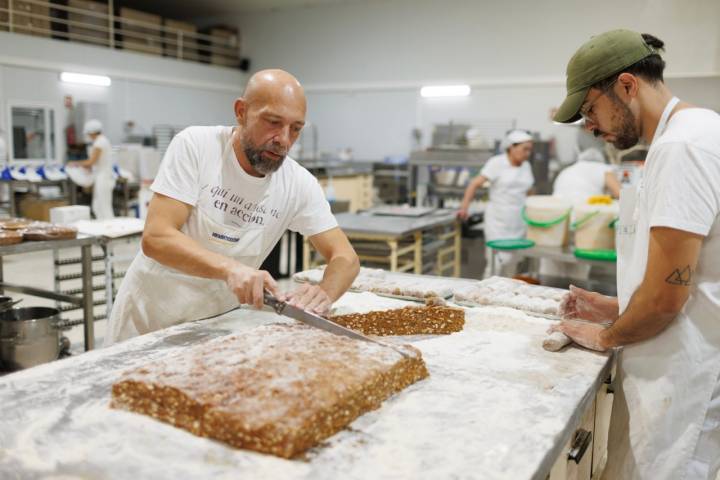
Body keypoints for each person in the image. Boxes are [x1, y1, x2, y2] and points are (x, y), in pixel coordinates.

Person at [551, 29, 720, 479]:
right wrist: (617, 306)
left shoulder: (682, 148)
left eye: (589, 109)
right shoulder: (690, 134)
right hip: (667, 362)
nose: (588, 125)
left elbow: (668, 296)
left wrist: (605, 336)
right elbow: (693, 277)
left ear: (626, 85)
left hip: (684, 383)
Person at [106, 69, 360, 345]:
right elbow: (157, 238)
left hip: (216, 327)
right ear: (241, 111)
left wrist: (324, 292)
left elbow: (345, 257)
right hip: (148, 323)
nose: (284, 140)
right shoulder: (197, 147)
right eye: (273, 122)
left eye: (296, 128)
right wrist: (231, 269)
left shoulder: (298, 183)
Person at [458, 130, 534, 277]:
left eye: (530, 150)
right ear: (512, 147)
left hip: (519, 221)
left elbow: (529, 191)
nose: (528, 153)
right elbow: (474, 184)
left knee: (513, 263)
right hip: (498, 221)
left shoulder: (526, 166)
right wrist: (464, 207)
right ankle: (486, 295)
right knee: (497, 264)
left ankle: (507, 297)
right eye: (525, 149)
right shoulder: (497, 163)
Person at [70, 119, 115, 219]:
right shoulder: (103, 140)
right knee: (98, 206)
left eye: (88, 133)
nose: (88, 136)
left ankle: (110, 229)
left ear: (92, 132)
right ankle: (106, 228)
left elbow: (91, 162)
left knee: (103, 207)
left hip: (103, 177)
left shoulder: (99, 143)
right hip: (103, 176)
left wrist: (74, 163)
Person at [552, 147, 620, 203]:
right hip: (584, 209)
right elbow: (619, 194)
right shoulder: (602, 168)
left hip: (558, 209)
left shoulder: (567, 170)